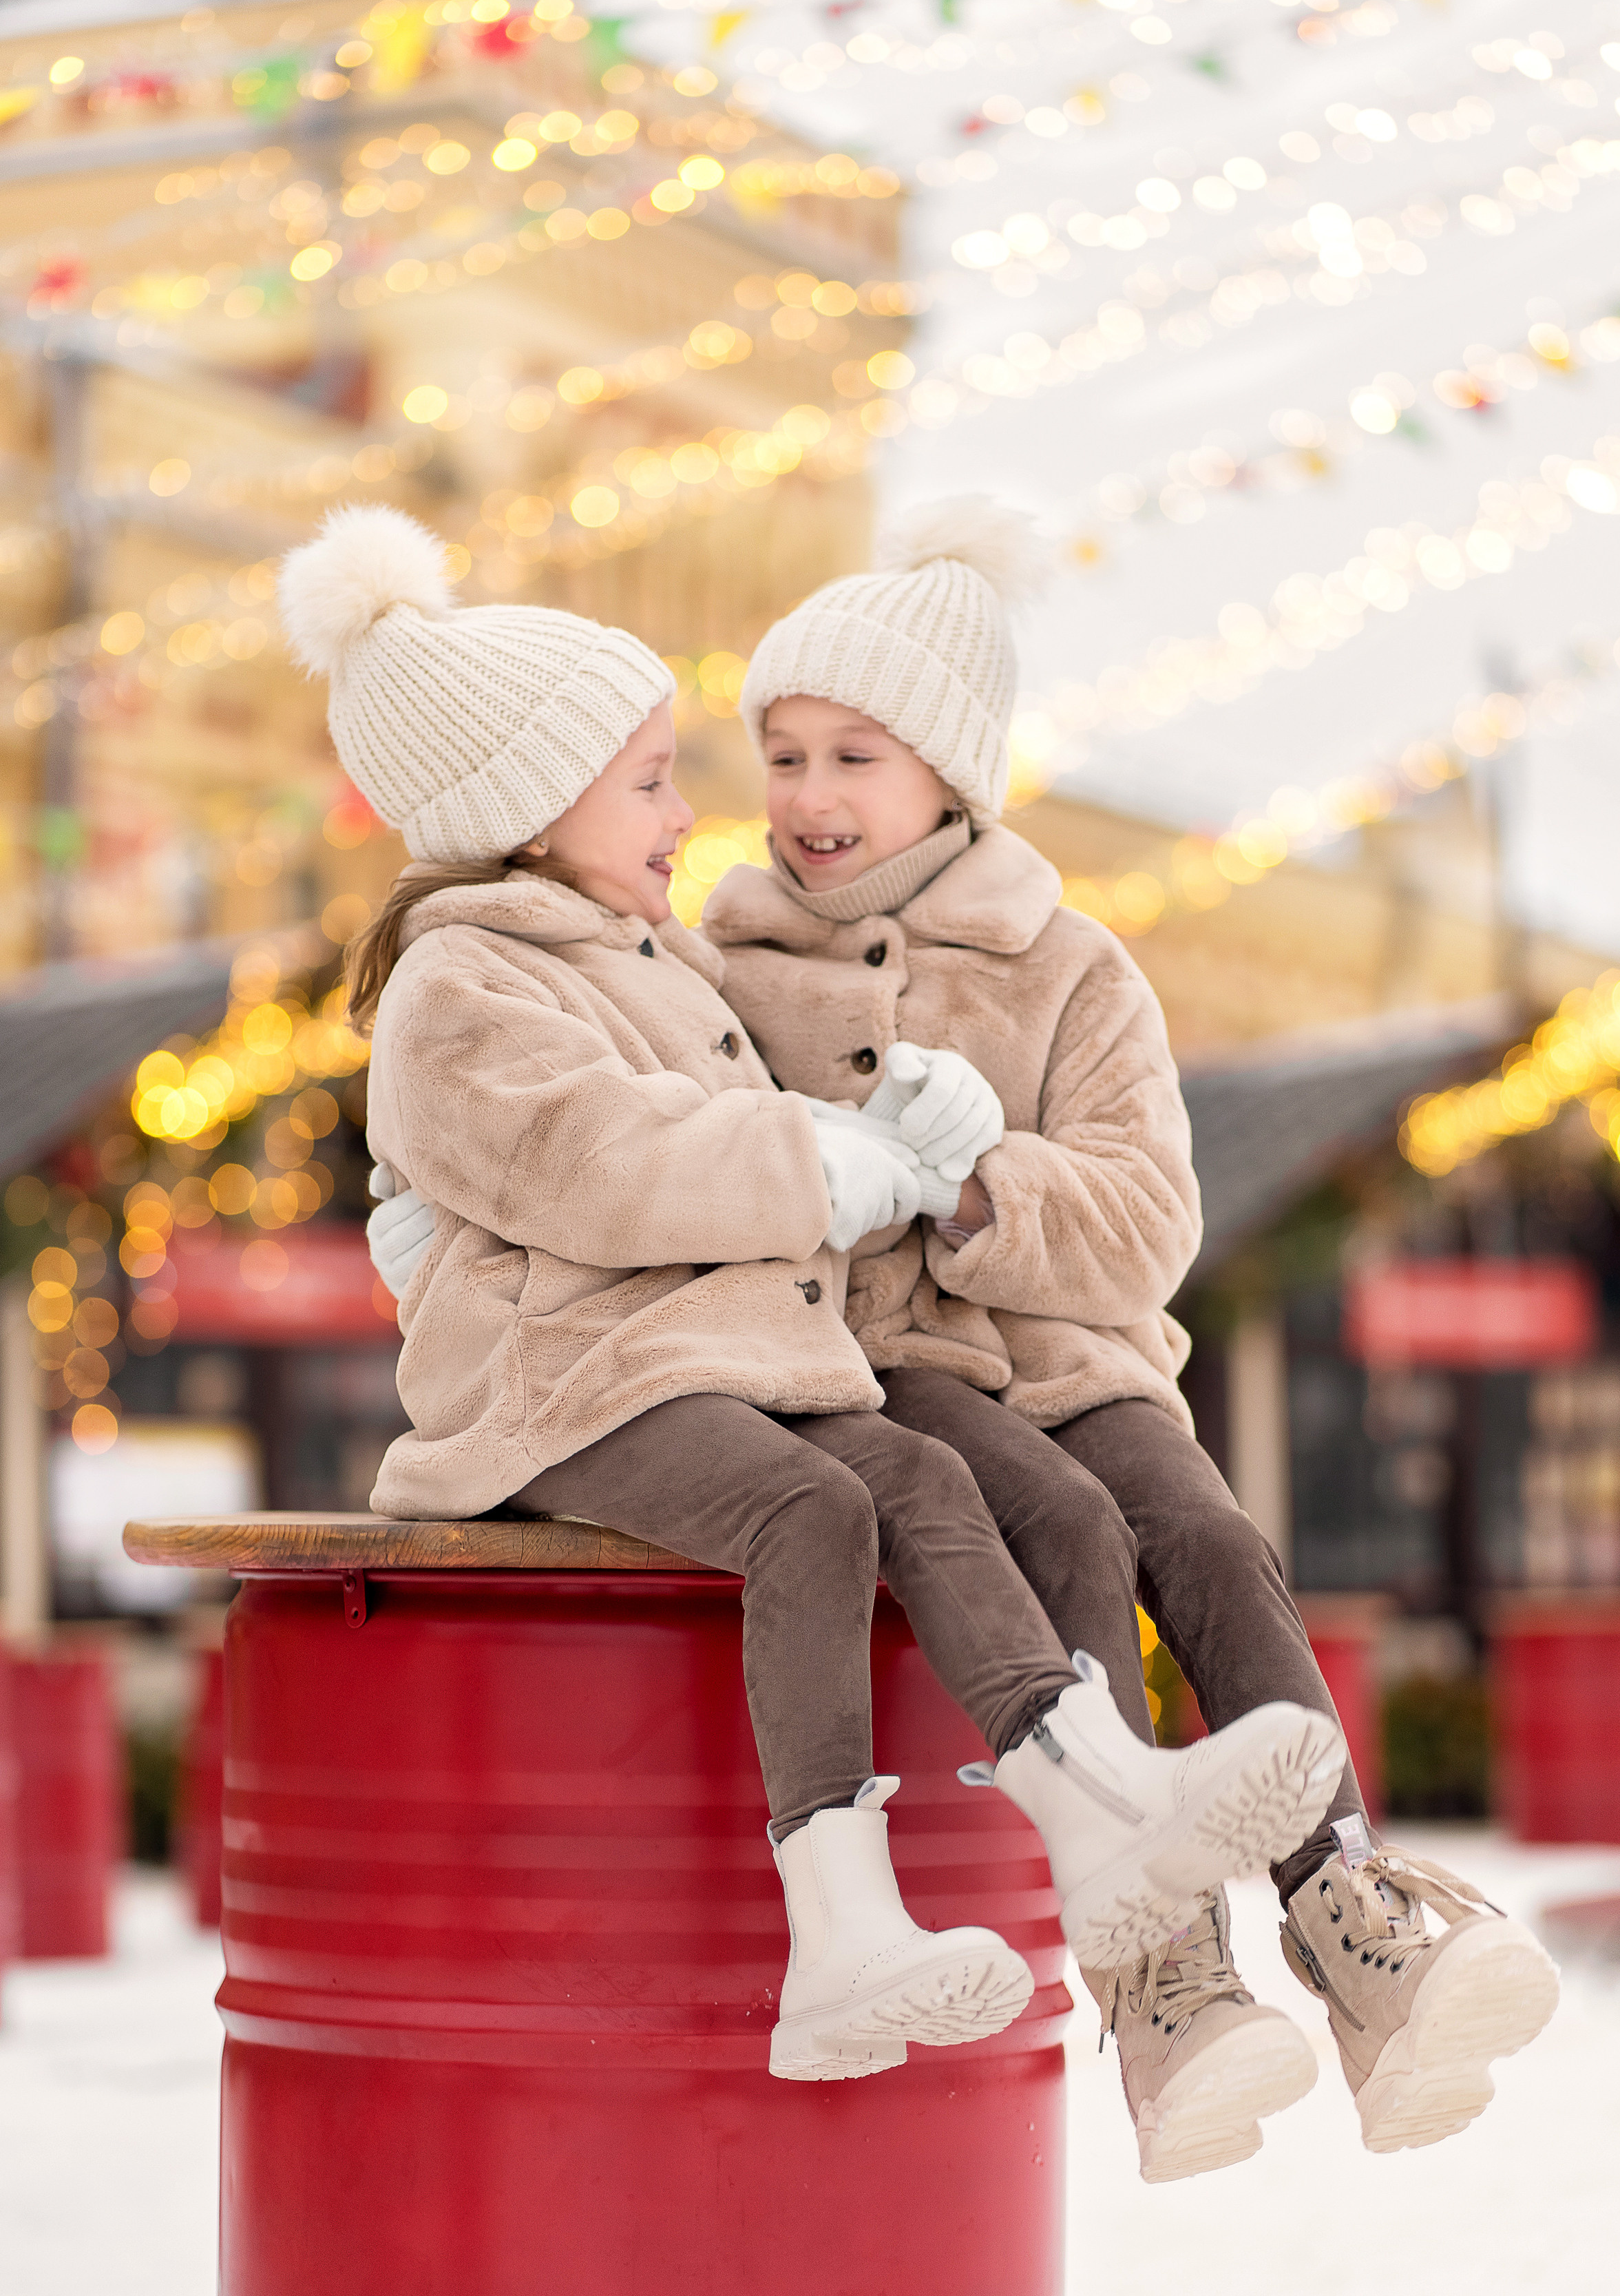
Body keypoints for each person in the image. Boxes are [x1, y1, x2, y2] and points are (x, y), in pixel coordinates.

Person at [282, 501, 1343, 2091]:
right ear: (531, 803)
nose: (699, 805)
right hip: (560, 1393)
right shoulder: (467, 976)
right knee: (817, 1511)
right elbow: (605, 1154)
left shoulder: (644, 955)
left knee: (916, 1479)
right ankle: (869, 1916)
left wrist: (918, 1151)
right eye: (654, 776)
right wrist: (830, 1164)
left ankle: (1115, 1810)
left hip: (691, 1364)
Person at [688, 496, 1561, 2179]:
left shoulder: (1069, 967)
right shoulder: (725, 964)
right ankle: (1163, 1980)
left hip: (1077, 1357)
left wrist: (974, 1180)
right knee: (1066, 1525)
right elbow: (706, 1178)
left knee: (1207, 1535)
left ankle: (1351, 1920)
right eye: (781, 755)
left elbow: (1148, 1218)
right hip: (890, 1371)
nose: (806, 799)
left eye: (850, 756)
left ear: (947, 772)